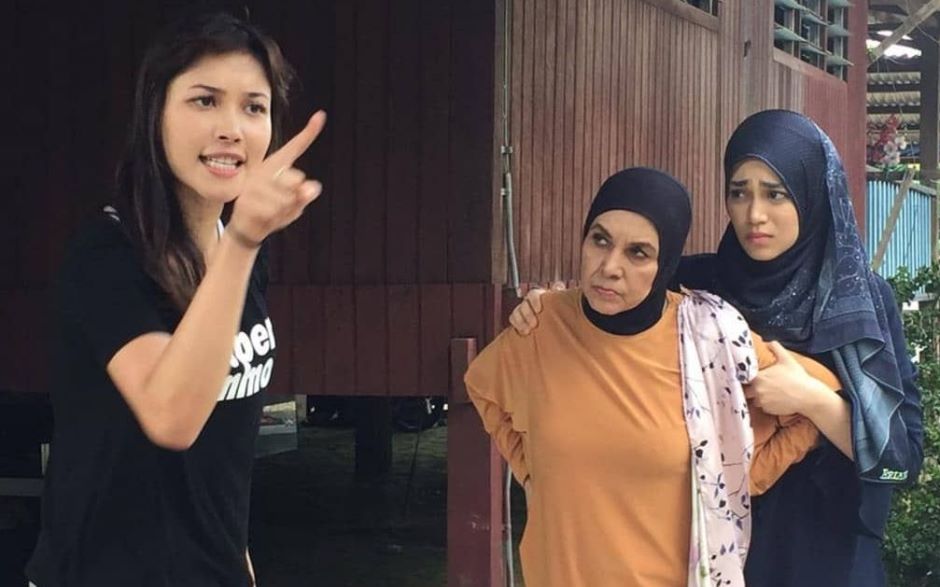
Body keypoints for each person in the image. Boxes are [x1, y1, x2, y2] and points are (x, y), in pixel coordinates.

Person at [508, 110, 924, 586]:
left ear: (812, 193)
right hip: (701, 550)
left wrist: (811, 399)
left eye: (775, 194)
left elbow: (902, 462)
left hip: (827, 556)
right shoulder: (693, 284)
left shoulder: (859, 302)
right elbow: (606, 316)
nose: (754, 214)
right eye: (739, 192)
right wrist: (548, 309)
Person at [26, 13, 325, 587]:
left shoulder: (242, 249)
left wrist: (239, 565)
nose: (231, 128)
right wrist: (243, 242)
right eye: (204, 101)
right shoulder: (107, 255)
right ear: (155, 112)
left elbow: (221, 461)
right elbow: (172, 418)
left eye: (254, 107)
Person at [465, 167, 840, 587]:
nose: (610, 267)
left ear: (666, 264)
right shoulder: (542, 325)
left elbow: (818, 400)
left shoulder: (709, 339)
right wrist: (533, 469)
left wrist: (744, 475)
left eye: (638, 253)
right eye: (600, 240)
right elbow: (484, 389)